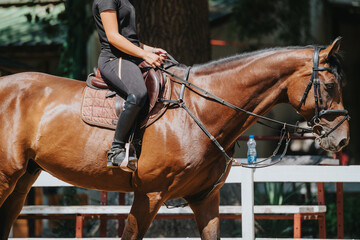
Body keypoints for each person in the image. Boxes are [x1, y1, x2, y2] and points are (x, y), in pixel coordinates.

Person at [92, 0, 167, 169]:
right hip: (114, 59)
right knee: (138, 93)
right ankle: (116, 149)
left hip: (130, 57)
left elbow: (129, 40)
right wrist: (144, 54)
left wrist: (151, 50)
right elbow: (113, 36)